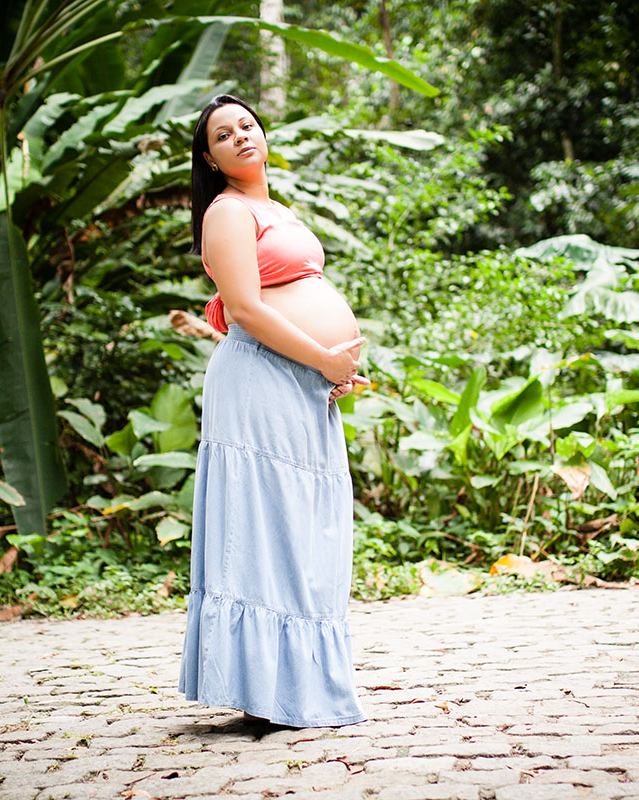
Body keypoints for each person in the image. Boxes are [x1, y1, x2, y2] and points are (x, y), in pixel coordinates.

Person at [177, 95, 367, 728]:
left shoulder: (274, 209)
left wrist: (329, 370)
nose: (240, 136)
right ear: (210, 158)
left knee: (306, 527)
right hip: (259, 379)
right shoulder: (227, 211)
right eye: (222, 134)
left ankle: (298, 685)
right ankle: (264, 691)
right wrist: (323, 358)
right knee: (269, 526)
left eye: (247, 125)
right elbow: (245, 309)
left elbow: (294, 294)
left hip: (300, 382)